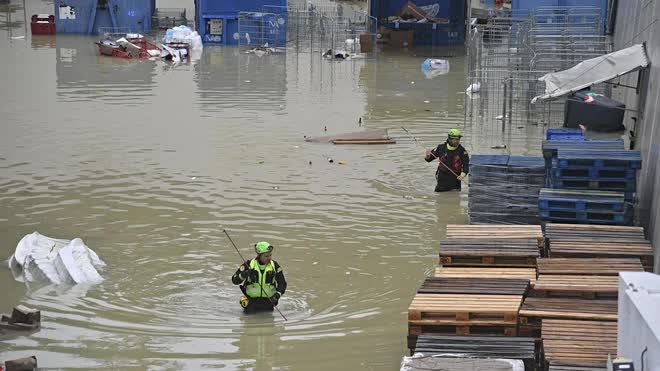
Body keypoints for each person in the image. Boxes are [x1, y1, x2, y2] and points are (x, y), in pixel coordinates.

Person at [231, 241, 287, 313]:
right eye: (266, 256)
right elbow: (234, 280)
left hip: (269, 302)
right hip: (251, 303)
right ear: (259, 255)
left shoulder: (274, 265)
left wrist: (276, 296)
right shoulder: (249, 264)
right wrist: (245, 274)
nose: (269, 258)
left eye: (270, 255)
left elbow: (282, 284)